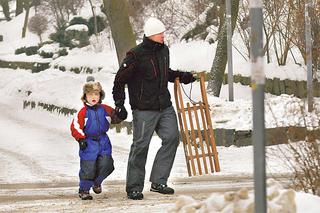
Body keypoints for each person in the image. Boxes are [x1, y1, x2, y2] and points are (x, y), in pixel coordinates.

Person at [112, 17, 196, 200]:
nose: (163, 36)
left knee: (172, 138)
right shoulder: (135, 55)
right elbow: (119, 80)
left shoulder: (164, 50)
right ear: (151, 35)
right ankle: (134, 187)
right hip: (143, 109)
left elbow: (164, 73)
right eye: (161, 33)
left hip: (164, 106)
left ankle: (159, 181)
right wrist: (119, 104)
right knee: (141, 146)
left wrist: (182, 76)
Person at [70, 76, 126, 200]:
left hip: (103, 141)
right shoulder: (83, 112)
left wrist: (121, 114)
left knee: (107, 164)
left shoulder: (105, 109)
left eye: (96, 94)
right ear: (85, 97)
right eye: (90, 94)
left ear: (100, 95)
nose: (93, 97)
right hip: (88, 142)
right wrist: (81, 139)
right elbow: (75, 126)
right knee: (88, 167)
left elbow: (115, 118)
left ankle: (97, 182)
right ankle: (84, 189)